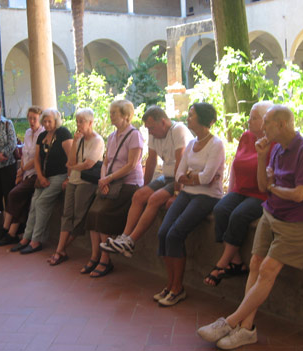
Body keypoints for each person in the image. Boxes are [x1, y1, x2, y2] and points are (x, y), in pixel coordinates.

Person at [197, 105, 303, 350]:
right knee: (255, 263)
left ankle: (230, 322)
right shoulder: (275, 150)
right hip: (272, 212)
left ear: (282, 125)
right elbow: (263, 185)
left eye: (266, 123)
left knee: (267, 270)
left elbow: (299, 195)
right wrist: (263, 157)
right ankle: (247, 329)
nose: (262, 128)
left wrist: (274, 188)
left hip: (298, 219)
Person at [100, 105, 192, 258]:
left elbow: (180, 163)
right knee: (139, 195)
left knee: (154, 199)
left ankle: (130, 241)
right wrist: (145, 186)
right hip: (166, 176)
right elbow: (151, 161)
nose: (149, 132)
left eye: (152, 128)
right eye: (147, 128)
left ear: (163, 122)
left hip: (181, 178)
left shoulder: (178, 130)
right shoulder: (154, 134)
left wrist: (176, 193)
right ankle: (124, 236)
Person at [156, 102, 225, 307]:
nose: (188, 118)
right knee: (163, 232)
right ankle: (170, 284)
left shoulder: (216, 144)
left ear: (203, 119)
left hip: (207, 196)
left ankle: (178, 288)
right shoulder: (191, 144)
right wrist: (193, 178)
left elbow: (207, 179)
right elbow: (179, 175)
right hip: (187, 193)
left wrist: (194, 178)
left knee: (176, 234)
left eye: (191, 115)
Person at [204, 101, 274, 286]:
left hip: (261, 194)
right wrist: (230, 191)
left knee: (239, 215)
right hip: (240, 190)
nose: (249, 120)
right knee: (220, 209)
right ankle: (236, 261)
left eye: (254, 117)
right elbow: (235, 165)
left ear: (266, 120)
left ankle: (222, 263)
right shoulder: (246, 137)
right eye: (250, 116)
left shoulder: (274, 142)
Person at [81, 99, 144, 277]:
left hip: (128, 184)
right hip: (110, 183)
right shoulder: (112, 136)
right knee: (92, 213)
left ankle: (105, 260)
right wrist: (103, 179)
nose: (111, 116)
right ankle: (95, 256)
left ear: (126, 116)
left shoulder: (134, 135)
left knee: (102, 214)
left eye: (114, 113)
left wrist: (109, 178)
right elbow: (106, 162)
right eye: (111, 112)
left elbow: (132, 164)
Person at [47, 108, 105, 265]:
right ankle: (60, 250)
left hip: (87, 182)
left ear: (91, 123)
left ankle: (60, 250)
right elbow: (71, 161)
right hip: (73, 181)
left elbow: (89, 164)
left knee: (79, 217)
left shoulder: (98, 140)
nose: (79, 124)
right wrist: (74, 144)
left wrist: (73, 166)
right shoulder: (78, 139)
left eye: (82, 121)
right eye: (77, 121)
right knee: (66, 215)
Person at [11, 108, 73, 254]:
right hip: (44, 176)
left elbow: (71, 158)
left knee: (42, 202)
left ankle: (36, 240)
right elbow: (37, 159)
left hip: (60, 176)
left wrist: (69, 178)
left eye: (49, 121)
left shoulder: (63, 133)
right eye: (44, 121)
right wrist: (40, 176)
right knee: (34, 203)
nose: (46, 124)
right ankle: (26, 237)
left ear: (56, 121)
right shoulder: (43, 136)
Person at [0, 106, 45, 246]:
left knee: (13, 194)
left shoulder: (43, 134)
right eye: (29, 118)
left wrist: (23, 169)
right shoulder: (28, 132)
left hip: (36, 173)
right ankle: (12, 233)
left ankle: (5, 229)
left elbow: (37, 158)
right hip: (26, 173)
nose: (32, 121)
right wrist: (21, 172)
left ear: (39, 119)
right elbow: (24, 154)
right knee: (23, 201)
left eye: (34, 119)